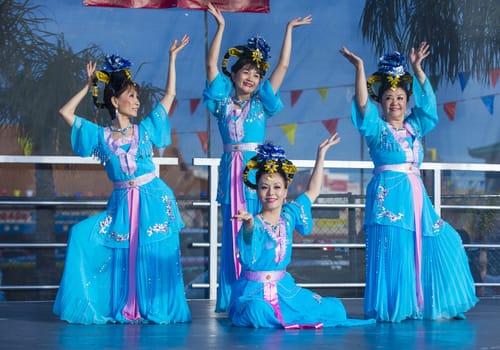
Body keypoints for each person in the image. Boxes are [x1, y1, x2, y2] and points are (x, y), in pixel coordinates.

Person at [53, 35, 192, 324]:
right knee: (81, 235)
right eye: (131, 96)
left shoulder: (145, 129)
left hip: (154, 199)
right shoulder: (100, 136)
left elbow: (169, 97)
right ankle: (118, 305)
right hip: (121, 205)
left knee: (151, 257)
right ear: (115, 101)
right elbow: (65, 112)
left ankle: (152, 307)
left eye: (137, 96)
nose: (137, 102)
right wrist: (87, 86)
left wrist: (173, 59)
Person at [340, 42, 478, 322]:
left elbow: (430, 108)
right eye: (389, 97)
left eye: (400, 97)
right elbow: (363, 106)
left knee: (446, 240)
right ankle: (396, 308)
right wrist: (360, 69)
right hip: (389, 196)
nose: (395, 102)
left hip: (417, 196)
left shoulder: (415, 126)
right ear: (382, 101)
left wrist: (417, 69)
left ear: (407, 100)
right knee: (396, 252)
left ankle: (432, 303)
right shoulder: (376, 128)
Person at [203, 1, 312, 313]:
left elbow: (283, 67)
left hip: (255, 176)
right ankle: (233, 297)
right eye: (245, 71)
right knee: (233, 232)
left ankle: (259, 293)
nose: (250, 77)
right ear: (235, 74)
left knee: (258, 230)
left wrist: (289, 30)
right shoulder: (222, 99)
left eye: (255, 74)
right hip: (230, 171)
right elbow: (211, 67)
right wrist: (222, 28)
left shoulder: (263, 103)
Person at [230, 136, 375, 328]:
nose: (270, 193)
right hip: (253, 292)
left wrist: (321, 154)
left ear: (285, 190)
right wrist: (247, 223)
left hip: (284, 290)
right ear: (257, 190)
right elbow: (248, 241)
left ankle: (289, 315)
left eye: (276, 187)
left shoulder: (289, 216)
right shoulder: (254, 222)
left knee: (336, 310)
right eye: (264, 187)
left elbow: (312, 191)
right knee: (258, 311)